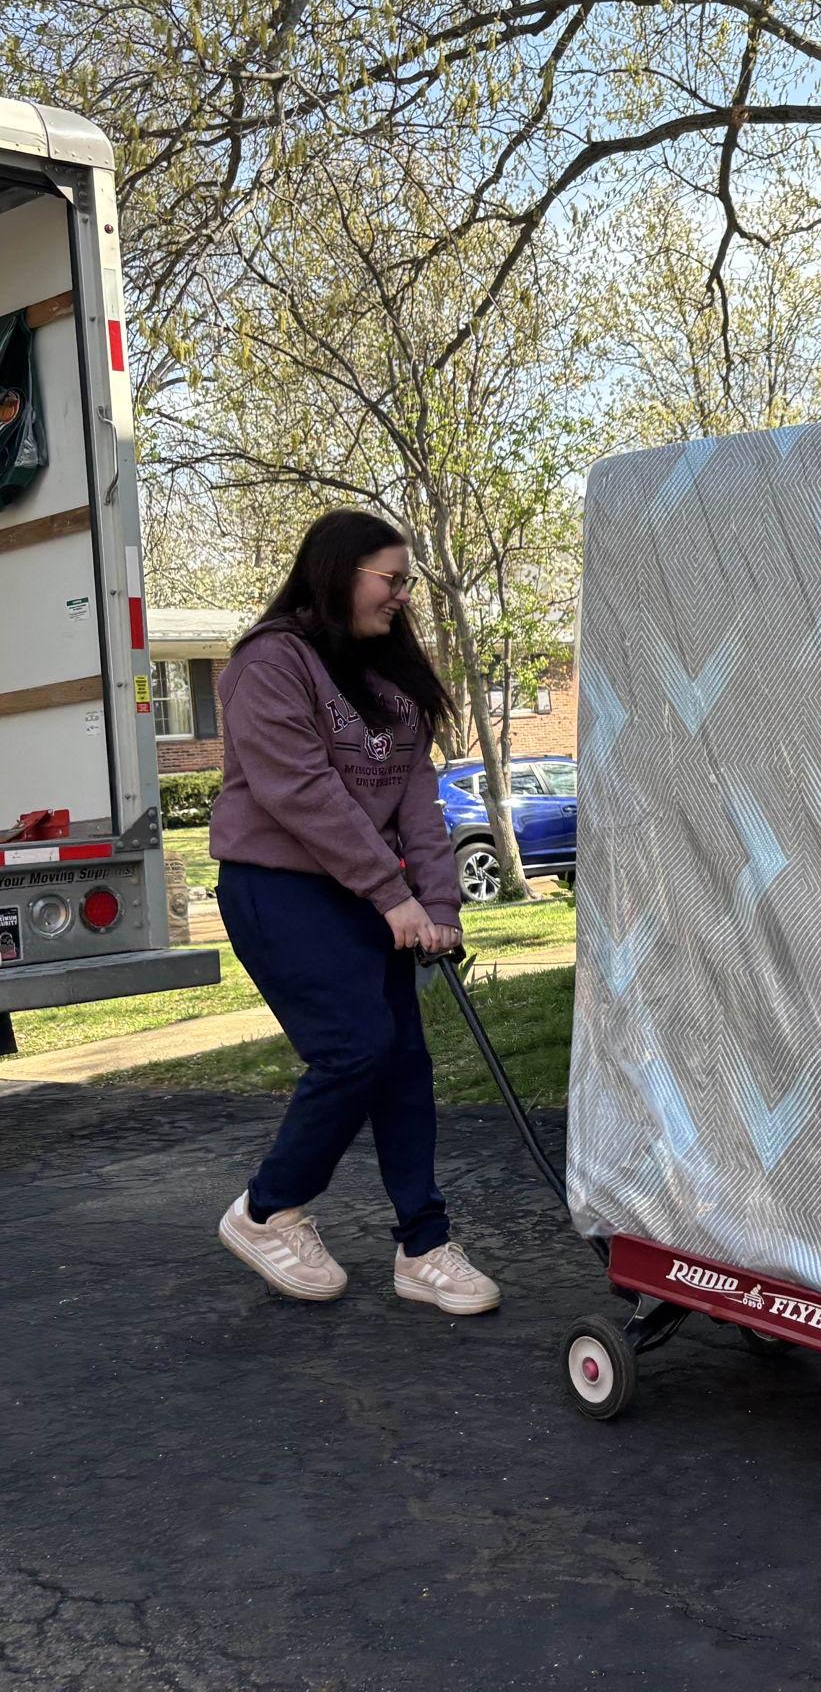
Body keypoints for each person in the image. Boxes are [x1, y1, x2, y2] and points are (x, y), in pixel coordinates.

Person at [211, 509, 501, 1317]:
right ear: (338, 571)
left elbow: (417, 806)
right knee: (356, 1048)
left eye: (407, 581)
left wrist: (436, 904)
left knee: (404, 1062)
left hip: (367, 893)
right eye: (393, 578)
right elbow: (303, 795)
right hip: (279, 887)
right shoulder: (270, 664)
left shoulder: (390, 681)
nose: (404, 596)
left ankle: (423, 1245)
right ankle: (268, 1210)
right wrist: (393, 895)